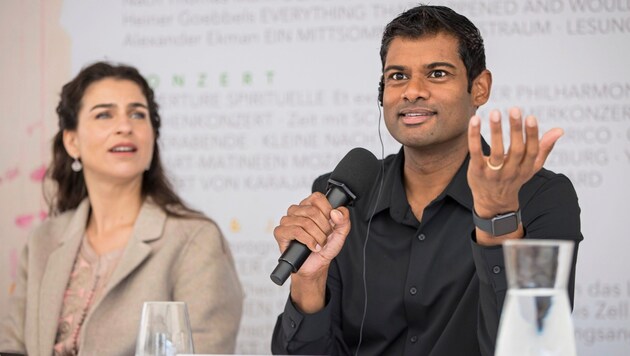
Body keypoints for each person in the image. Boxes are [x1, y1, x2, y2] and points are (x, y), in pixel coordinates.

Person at [271, 5, 582, 356]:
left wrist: (497, 218)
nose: (412, 91)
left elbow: (533, 346)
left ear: (479, 88)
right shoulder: (343, 196)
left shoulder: (539, 196)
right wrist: (309, 279)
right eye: (397, 76)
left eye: (436, 73)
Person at [0, 62, 244, 355]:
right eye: (104, 114)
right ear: (72, 141)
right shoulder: (44, 240)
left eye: (137, 114)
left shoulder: (195, 240)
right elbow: (11, 344)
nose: (125, 126)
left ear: (152, 136)